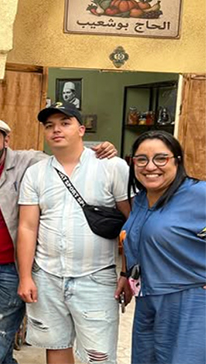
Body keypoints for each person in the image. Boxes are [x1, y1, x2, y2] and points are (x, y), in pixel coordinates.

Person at [0, 117, 117, 364]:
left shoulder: (28, 161)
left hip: (12, 266)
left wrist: (101, 151)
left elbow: (65, 155)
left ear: (6, 141)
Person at [17, 102, 131, 364]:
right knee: (56, 346)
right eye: (50, 126)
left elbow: (132, 224)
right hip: (47, 275)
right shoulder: (36, 173)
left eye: (65, 123)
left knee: (99, 356)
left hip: (96, 276)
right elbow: (27, 227)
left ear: (81, 129)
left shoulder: (111, 166)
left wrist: (126, 272)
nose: (56, 130)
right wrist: (25, 276)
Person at [122, 130, 205, 364]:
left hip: (189, 300)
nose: (150, 166)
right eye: (141, 159)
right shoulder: (141, 199)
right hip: (147, 300)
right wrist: (126, 275)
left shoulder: (198, 194)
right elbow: (137, 240)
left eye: (161, 158)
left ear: (177, 161)